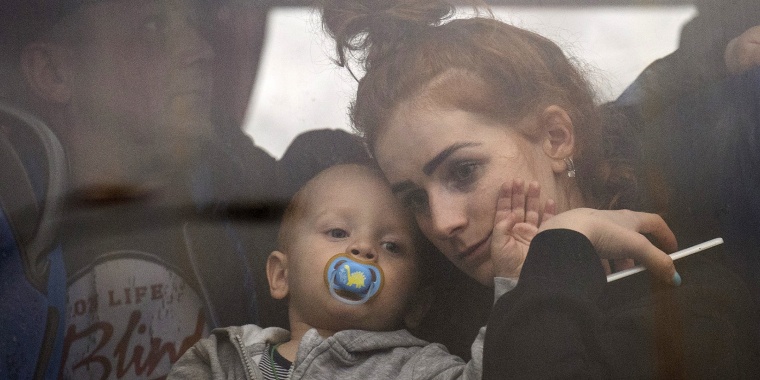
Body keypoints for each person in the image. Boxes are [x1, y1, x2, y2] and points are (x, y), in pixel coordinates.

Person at [319, 0, 760, 376]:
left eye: (464, 171)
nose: (442, 222)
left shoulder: (695, 291)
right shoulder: (419, 342)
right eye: (415, 198)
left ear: (555, 137)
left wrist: (561, 247)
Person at [0, 0, 279, 377]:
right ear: (53, 73)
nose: (202, 50)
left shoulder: (246, 191)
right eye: (153, 28)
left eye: (195, 24)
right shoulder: (12, 216)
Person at [169, 163, 490, 378]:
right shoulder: (221, 361)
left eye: (391, 246)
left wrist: (516, 276)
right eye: (337, 232)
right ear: (282, 275)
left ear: (417, 305)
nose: (363, 248)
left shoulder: (417, 369)